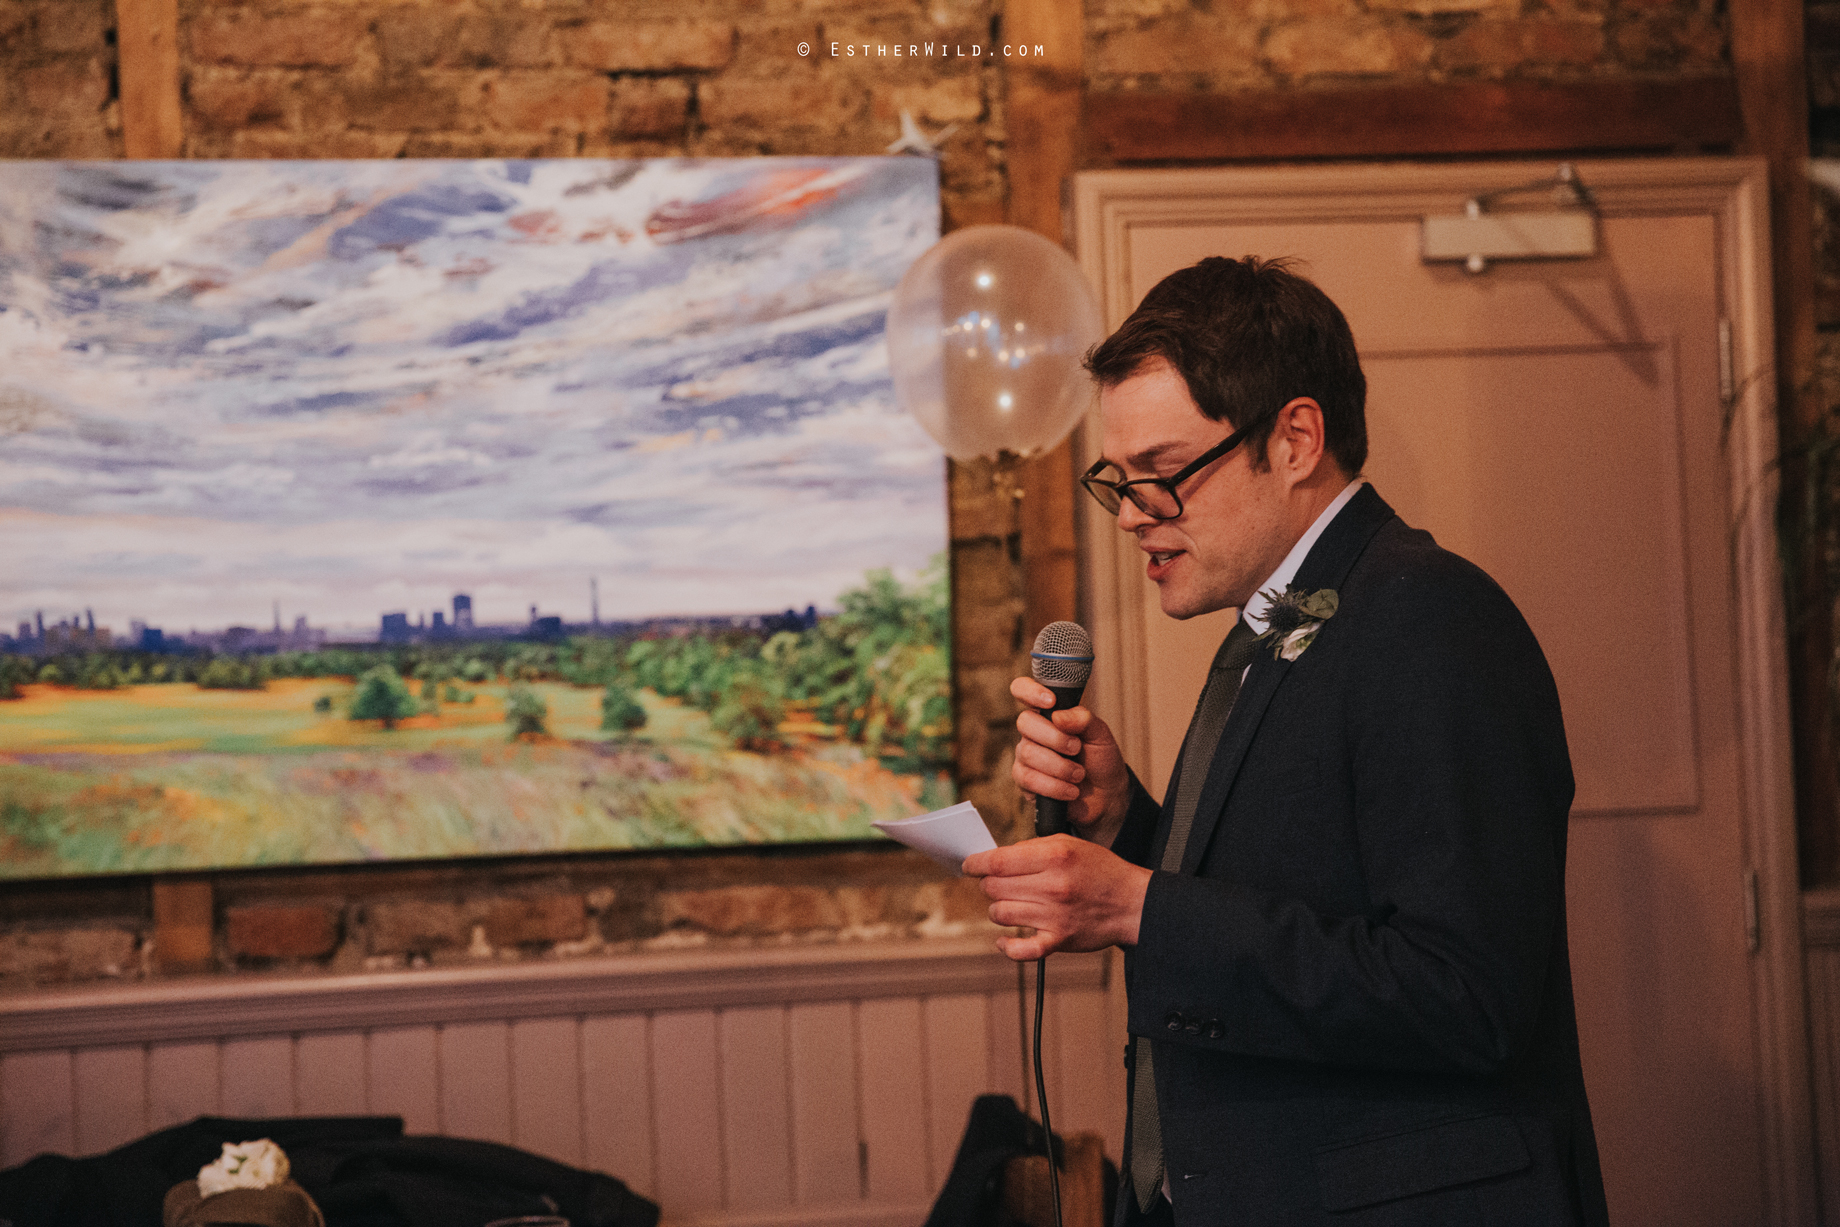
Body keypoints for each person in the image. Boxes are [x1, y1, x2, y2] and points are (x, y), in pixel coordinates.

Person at [962, 256, 1609, 1227]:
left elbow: (1464, 995)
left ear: (1295, 438)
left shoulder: (1429, 619)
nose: (1135, 513)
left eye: (1164, 472)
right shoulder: (1278, 626)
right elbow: (1285, 897)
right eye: (1120, 479)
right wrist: (1127, 823)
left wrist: (1142, 907)